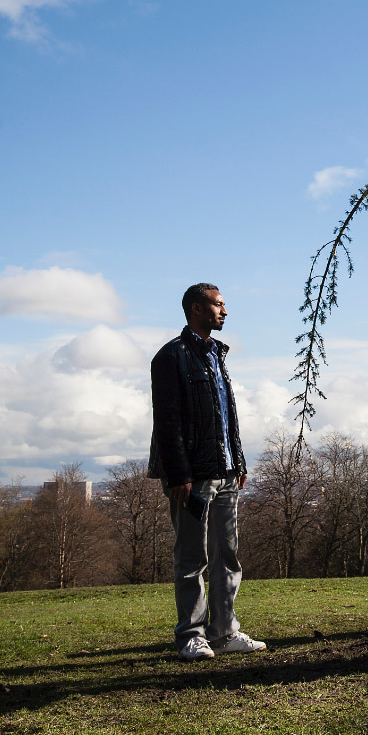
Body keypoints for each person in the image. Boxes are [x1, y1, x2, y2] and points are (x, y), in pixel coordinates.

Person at [148, 283, 267, 661]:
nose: (225, 312)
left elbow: (226, 416)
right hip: (193, 478)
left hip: (226, 473)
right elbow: (167, 422)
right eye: (219, 305)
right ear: (197, 309)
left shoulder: (218, 354)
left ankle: (224, 633)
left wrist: (239, 462)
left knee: (227, 556)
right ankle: (191, 636)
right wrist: (179, 475)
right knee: (192, 559)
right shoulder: (171, 356)